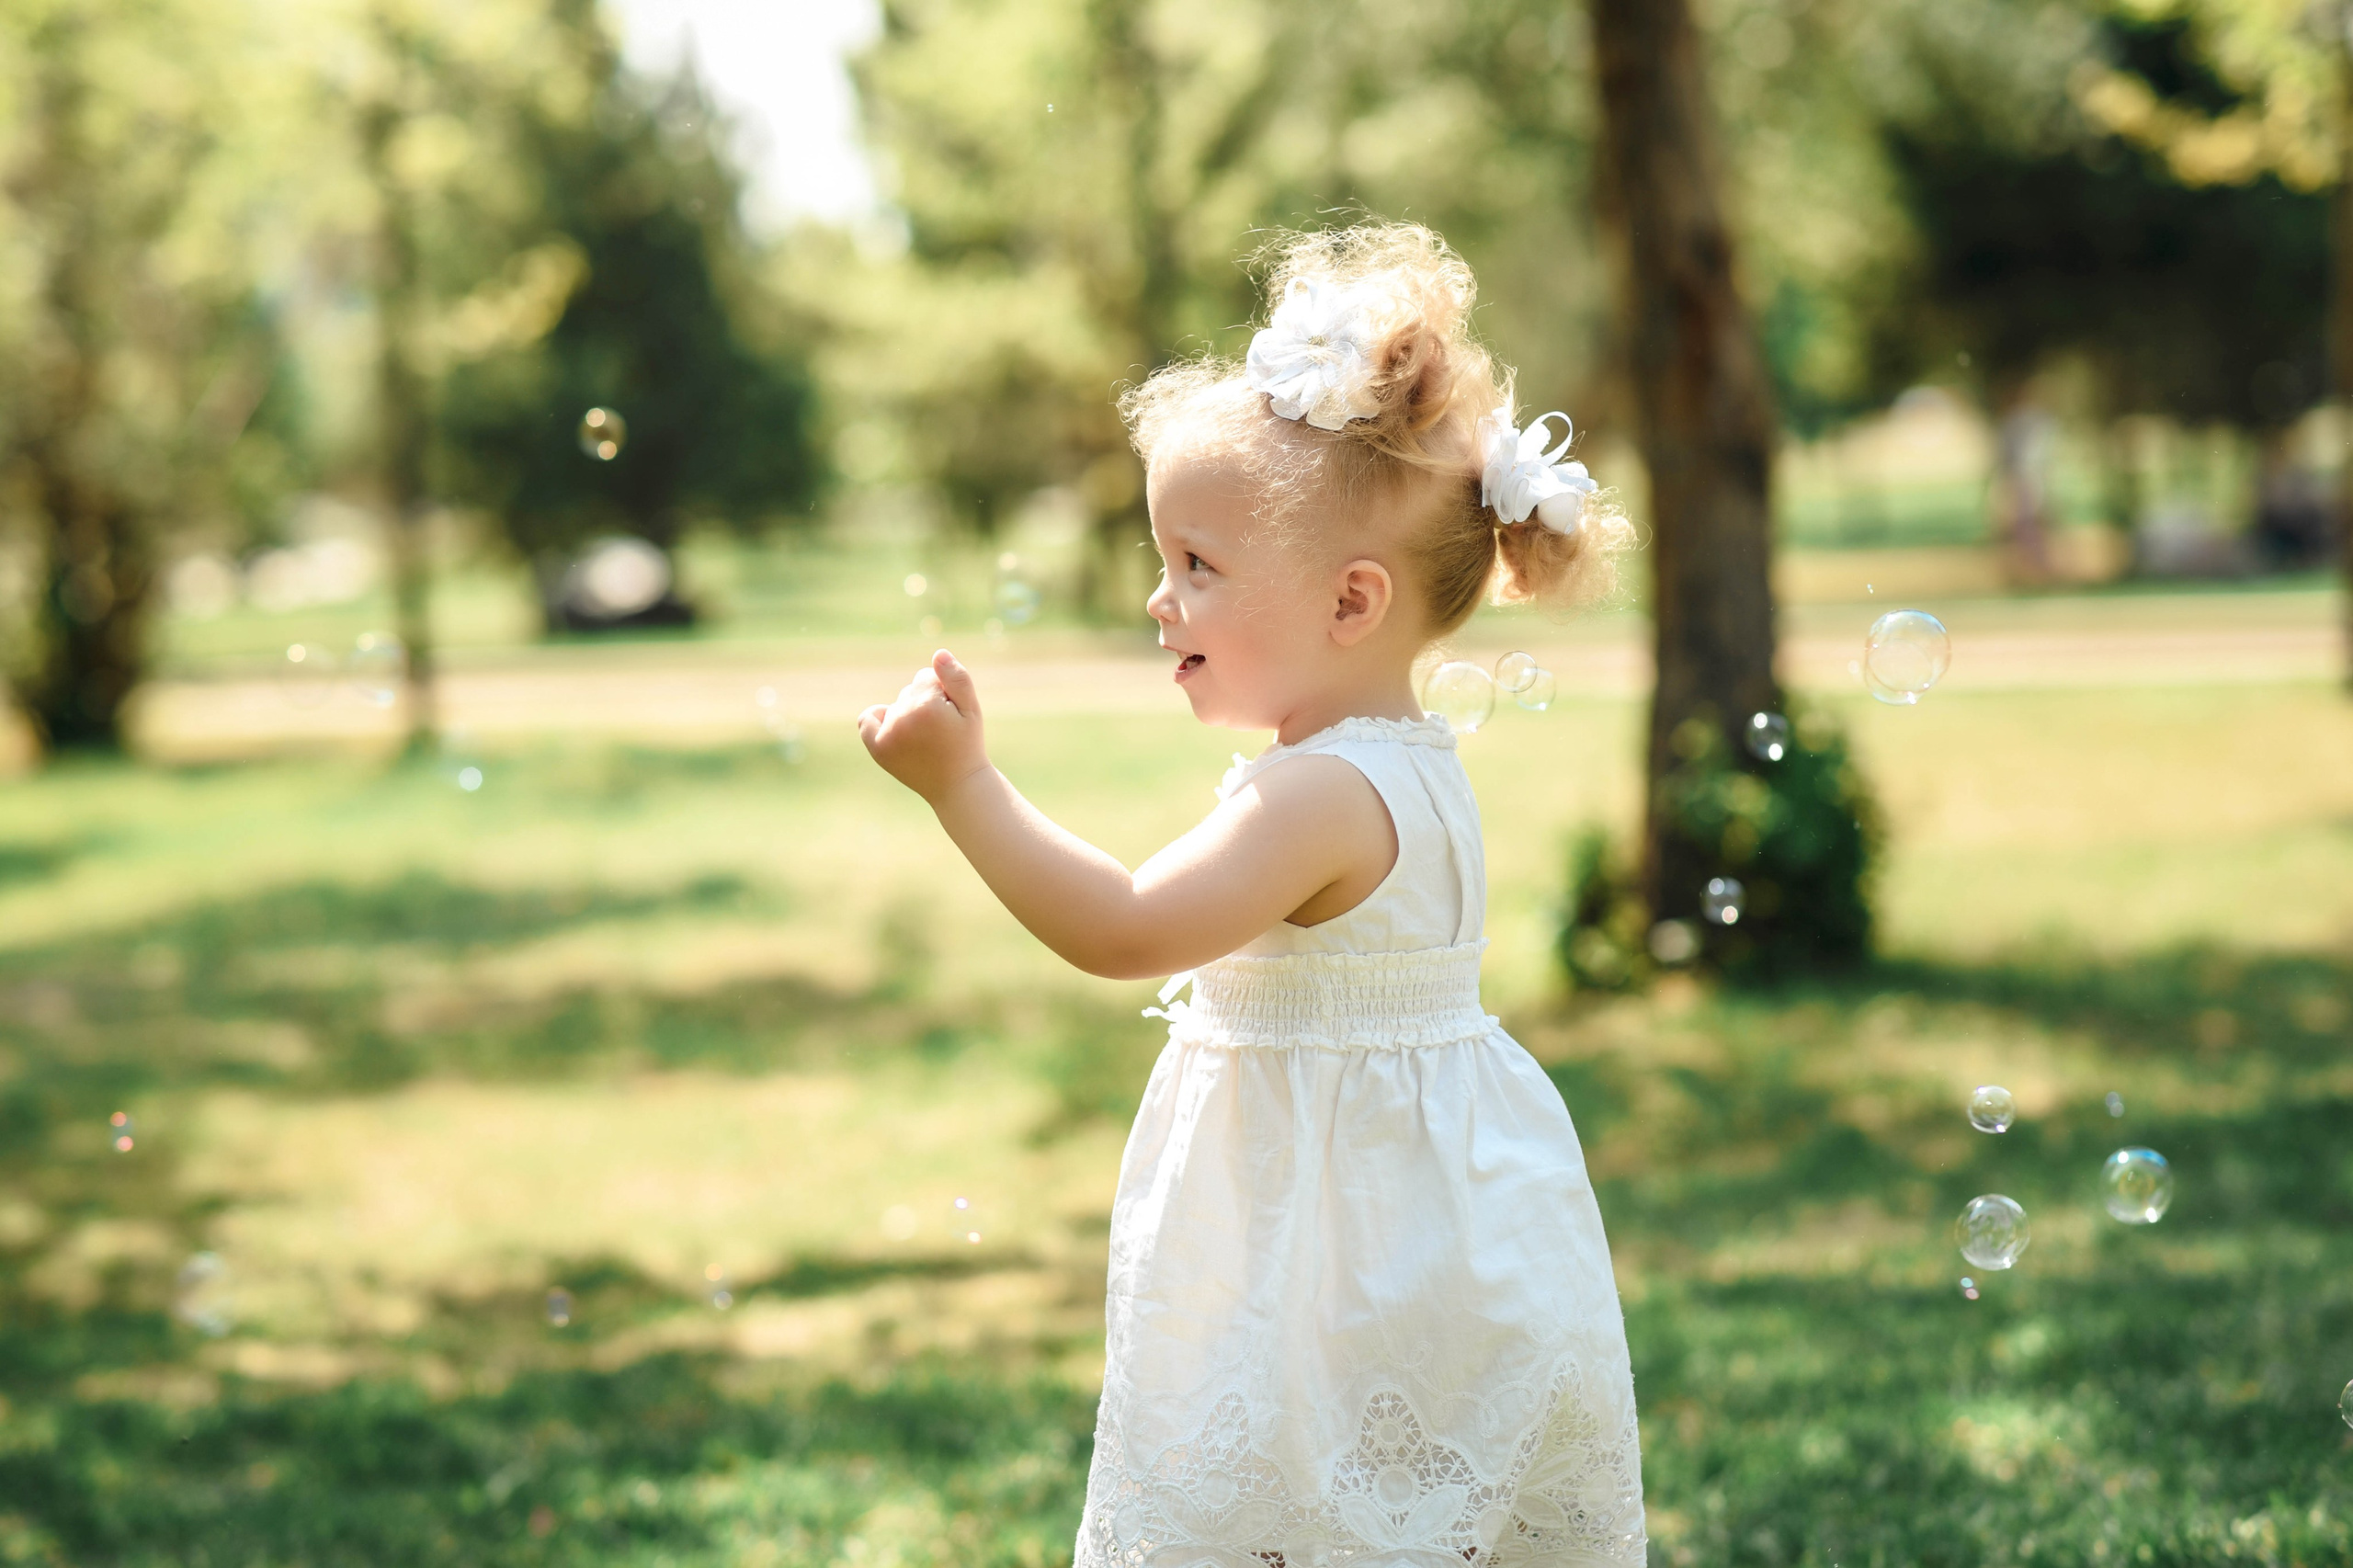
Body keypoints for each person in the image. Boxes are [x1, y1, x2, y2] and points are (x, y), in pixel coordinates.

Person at [859, 222, 1644, 1565]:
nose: (1162, 601)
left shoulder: (1316, 797)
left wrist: (961, 787)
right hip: (1414, 1240)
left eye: (1199, 566)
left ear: (1351, 602)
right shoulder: (1407, 765)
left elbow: (1122, 925)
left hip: (1324, 1274)